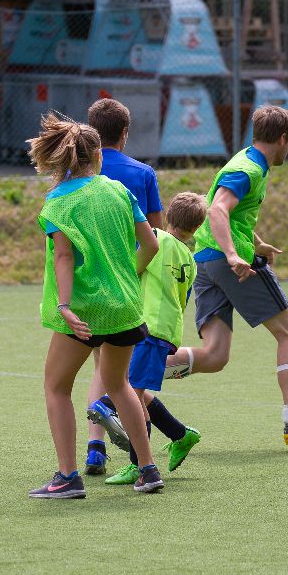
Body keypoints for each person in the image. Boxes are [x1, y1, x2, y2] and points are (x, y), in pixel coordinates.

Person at [162, 106, 288, 448]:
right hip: (231, 264)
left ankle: (130, 379)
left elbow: (232, 212)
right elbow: (217, 209)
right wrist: (233, 254)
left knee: (215, 356)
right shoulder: (249, 169)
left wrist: (257, 243)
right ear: (283, 138)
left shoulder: (246, 160)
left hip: (205, 261)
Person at [25, 112, 163, 499]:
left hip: (85, 311)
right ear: (98, 155)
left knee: (56, 387)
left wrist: (65, 306)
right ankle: (148, 469)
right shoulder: (118, 191)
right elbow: (151, 244)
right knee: (119, 385)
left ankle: (68, 477)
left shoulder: (58, 201)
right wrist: (128, 278)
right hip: (124, 307)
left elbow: (63, 257)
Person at [89, 191, 208, 485]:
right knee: (137, 392)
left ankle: (139, 465)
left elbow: (132, 268)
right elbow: (182, 299)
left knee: (128, 393)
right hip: (166, 330)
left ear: (167, 216)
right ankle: (179, 434)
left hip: (147, 326)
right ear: (197, 227)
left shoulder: (155, 238)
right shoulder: (190, 259)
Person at [81, 98, 165, 475]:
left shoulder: (78, 176)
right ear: (125, 133)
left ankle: (95, 447)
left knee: (101, 366)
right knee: (119, 374)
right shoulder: (143, 174)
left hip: (90, 282)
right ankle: (141, 460)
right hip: (130, 282)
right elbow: (156, 232)